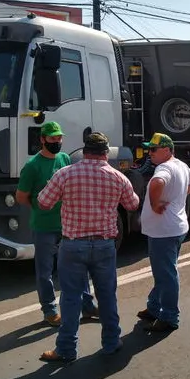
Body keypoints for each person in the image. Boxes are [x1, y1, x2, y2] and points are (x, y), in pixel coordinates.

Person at [36, 130, 140, 361]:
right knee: (107, 296)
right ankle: (112, 342)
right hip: (104, 246)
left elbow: (43, 202)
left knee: (71, 298)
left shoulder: (65, 174)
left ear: (84, 152)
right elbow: (132, 205)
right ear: (105, 153)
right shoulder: (117, 177)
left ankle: (66, 349)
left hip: (73, 245)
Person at [15, 121, 98, 327]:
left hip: (68, 224)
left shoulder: (64, 158)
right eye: (52, 138)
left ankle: (87, 306)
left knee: (78, 267)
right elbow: (21, 197)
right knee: (45, 271)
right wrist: (39, 208)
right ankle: (50, 310)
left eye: (59, 138)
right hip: (44, 227)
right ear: (42, 139)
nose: (57, 141)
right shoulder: (32, 166)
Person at [136, 133, 190, 332]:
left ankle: (169, 316)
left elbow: (156, 183)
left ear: (167, 150)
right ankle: (154, 307)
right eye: (149, 149)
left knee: (166, 274)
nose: (149, 153)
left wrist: (155, 204)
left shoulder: (165, 168)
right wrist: (178, 199)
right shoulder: (180, 165)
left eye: (153, 149)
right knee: (164, 272)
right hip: (175, 228)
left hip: (163, 231)